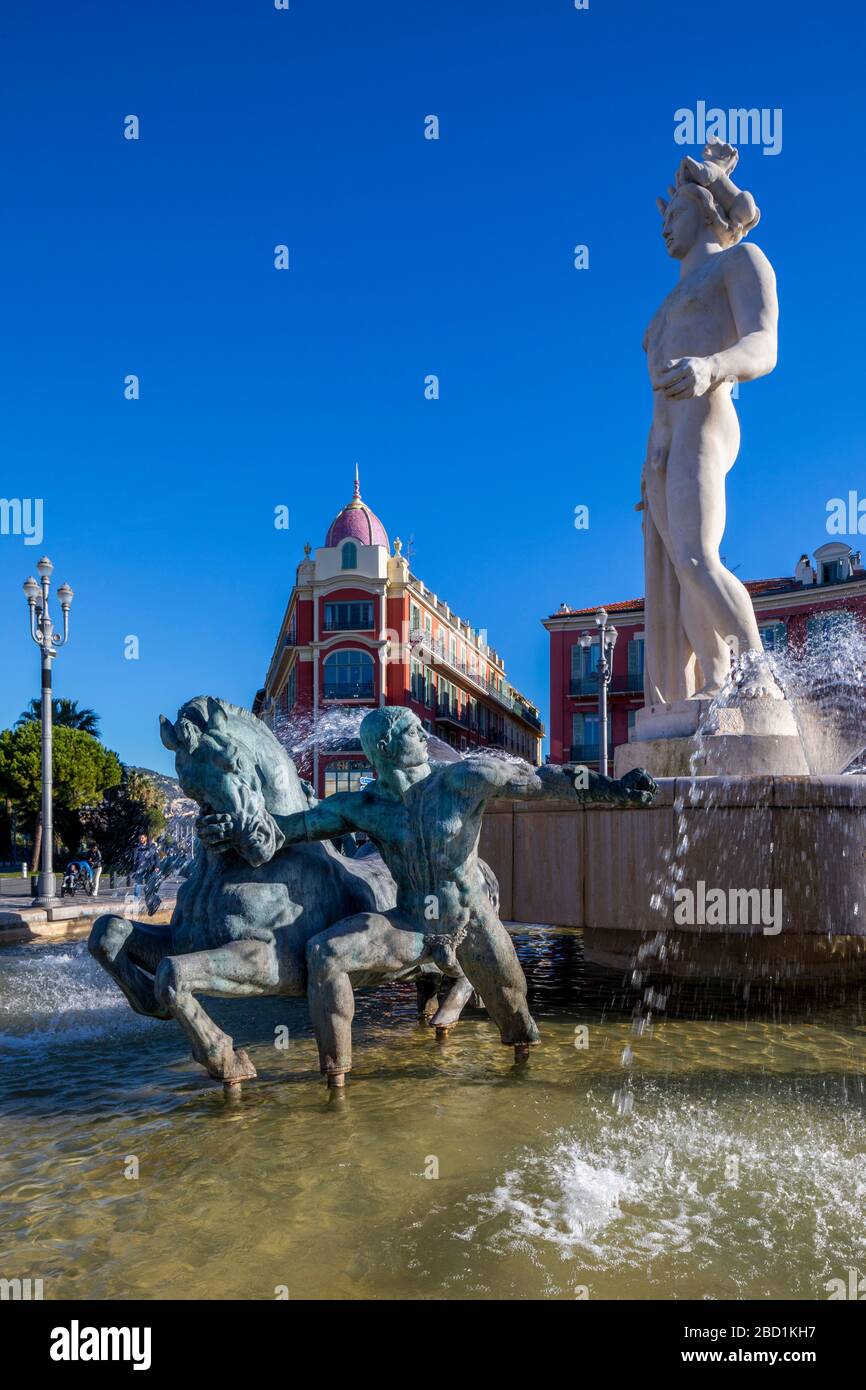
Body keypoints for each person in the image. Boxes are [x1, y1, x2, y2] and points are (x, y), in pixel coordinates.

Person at [198, 706, 657, 1086]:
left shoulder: (463, 780)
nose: (424, 734)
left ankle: (523, 1089)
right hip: (410, 923)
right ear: (384, 747)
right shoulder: (364, 807)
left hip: (470, 925)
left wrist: (614, 789)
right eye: (412, 730)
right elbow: (290, 830)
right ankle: (335, 1082)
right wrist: (233, 829)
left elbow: (543, 779)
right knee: (325, 952)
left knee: (519, 1026)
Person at [642, 141, 780, 703]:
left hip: (708, 418)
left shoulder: (740, 262)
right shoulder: (665, 305)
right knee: (680, 574)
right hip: (664, 442)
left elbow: (765, 345)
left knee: (699, 557)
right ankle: (718, 682)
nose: (663, 228)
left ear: (704, 211)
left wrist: (712, 367)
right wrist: (651, 456)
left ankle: (758, 676)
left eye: (673, 214)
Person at [131, 833, 160, 912]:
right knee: (137, 886)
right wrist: (133, 869)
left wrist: (157, 866)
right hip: (139, 870)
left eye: (142, 838)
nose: (141, 839)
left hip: (149, 869)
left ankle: (150, 903)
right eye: (140, 838)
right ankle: (136, 903)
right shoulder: (137, 847)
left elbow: (157, 857)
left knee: (148, 887)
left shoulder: (151, 847)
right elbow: (134, 859)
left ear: (146, 838)